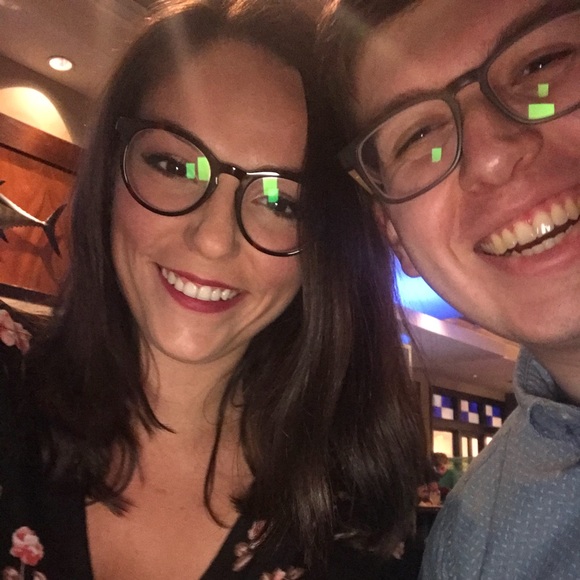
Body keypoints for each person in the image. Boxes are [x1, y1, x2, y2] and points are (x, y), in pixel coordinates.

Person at [0, 0, 426, 578]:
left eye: (280, 202)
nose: (213, 240)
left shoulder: (354, 525)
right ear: (111, 170)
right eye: (175, 167)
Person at [318, 0, 580, 578]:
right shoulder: (470, 543)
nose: (490, 156)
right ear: (396, 237)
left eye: (541, 64)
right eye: (418, 134)